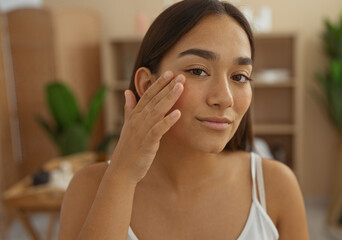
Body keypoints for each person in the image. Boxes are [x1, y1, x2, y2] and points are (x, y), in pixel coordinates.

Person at [58, 0, 309, 239]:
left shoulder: (276, 186)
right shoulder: (89, 188)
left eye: (240, 76)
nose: (225, 98)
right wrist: (122, 175)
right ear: (147, 84)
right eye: (198, 71)